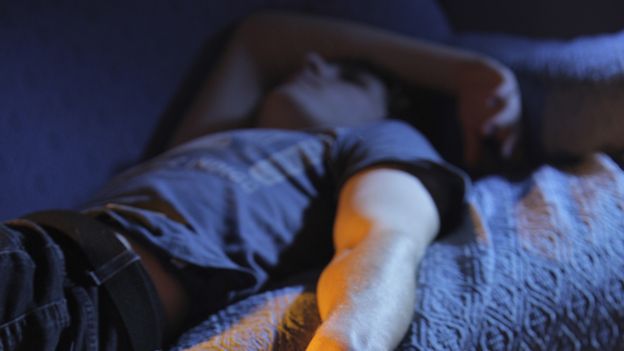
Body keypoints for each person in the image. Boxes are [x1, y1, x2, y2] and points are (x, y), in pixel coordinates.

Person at [0, 11, 520, 351]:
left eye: (351, 75)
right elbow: (261, 38)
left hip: (82, 292)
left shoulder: (371, 139)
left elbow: (383, 241)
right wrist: (465, 70)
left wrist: (350, 339)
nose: (312, 62)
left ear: (384, 106)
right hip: (33, 249)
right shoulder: (210, 138)